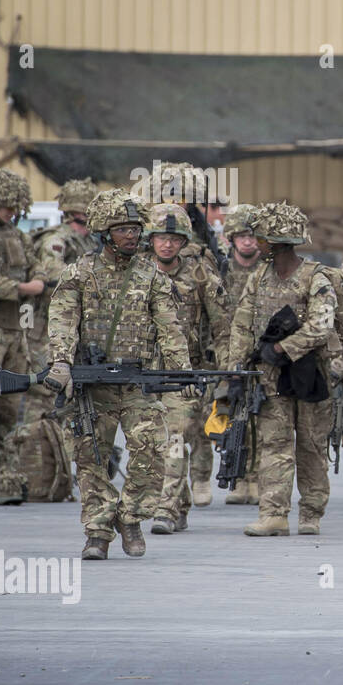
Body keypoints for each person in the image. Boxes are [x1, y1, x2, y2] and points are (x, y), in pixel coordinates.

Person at [47, 189, 194, 559]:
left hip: (137, 385)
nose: (131, 235)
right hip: (92, 387)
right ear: (103, 232)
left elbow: (169, 328)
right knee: (92, 460)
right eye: (122, 229)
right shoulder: (79, 273)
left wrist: (182, 373)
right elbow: (63, 320)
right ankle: (97, 532)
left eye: (135, 228)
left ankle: (130, 517)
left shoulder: (152, 276)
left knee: (151, 456)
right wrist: (61, 362)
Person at [228, 202, 338, 537]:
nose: (256, 243)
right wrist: (236, 364)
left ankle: (311, 512)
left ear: (276, 242)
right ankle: (273, 512)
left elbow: (322, 325)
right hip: (269, 377)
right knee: (273, 443)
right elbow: (243, 321)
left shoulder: (315, 279)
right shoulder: (259, 277)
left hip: (309, 375)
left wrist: (282, 348)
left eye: (261, 238)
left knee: (311, 444)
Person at [146, 204, 230, 535]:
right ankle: (179, 504)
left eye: (174, 239)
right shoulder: (137, 277)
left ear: (184, 242)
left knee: (176, 436)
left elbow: (223, 327)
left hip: (186, 374)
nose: (167, 245)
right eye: (161, 238)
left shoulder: (201, 276)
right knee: (153, 443)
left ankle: (164, 509)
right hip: (145, 371)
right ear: (151, 240)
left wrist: (225, 374)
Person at [0, 168, 46, 490]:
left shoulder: (18, 235)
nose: (13, 213)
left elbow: (37, 266)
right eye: (8, 206)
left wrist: (38, 281)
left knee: (10, 402)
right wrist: (24, 287)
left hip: (16, 329)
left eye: (17, 207)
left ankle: (1, 472)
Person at [25, 178, 98, 422]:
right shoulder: (57, 239)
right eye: (82, 218)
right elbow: (53, 271)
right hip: (47, 331)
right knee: (44, 397)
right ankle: (36, 451)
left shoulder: (88, 241)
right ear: (71, 214)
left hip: (72, 331)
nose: (86, 225)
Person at [219, 203, 263, 505]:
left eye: (252, 235)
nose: (247, 241)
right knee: (231, 415)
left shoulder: (268, 270)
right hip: (226, 351)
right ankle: (238, 476)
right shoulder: (220, 271)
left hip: (262, 352)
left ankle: (258, 478)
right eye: (241, 236)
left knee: (262, 416)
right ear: (231, 239)